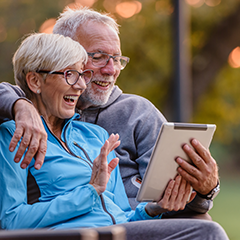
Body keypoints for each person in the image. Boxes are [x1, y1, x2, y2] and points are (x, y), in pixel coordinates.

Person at [0, 32, 229, 240]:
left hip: (118, 233)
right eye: (70, 74)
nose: (81, 85)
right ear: (35, 81)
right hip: (72, 235)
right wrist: (90, 192)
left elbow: (122, 217)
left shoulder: (96, 136)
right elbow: (12, 220)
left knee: (203, 230)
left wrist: (153, 209)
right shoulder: (12, 135)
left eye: (82, 74)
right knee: (208, 233)